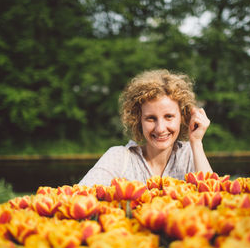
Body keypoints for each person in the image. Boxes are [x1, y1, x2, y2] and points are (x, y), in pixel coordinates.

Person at [78, 69, 213, 187]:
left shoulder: (190, 154)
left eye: (169, 116)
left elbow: (212, 197)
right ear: (138, 120)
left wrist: (196, 142)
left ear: (182, 117)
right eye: (151, 118)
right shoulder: (118, 157)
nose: (160, 129)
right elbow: (79, 196)